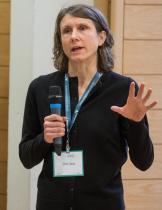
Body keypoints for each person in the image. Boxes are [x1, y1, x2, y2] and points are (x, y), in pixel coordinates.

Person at [19, 4, 157, 210]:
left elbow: (144, 162)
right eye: (66, 31)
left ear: (101, 38)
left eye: (82, 28)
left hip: (104, 203)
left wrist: (137, 124)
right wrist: (44, 139)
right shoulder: (40, 88)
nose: (74, 36)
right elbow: (26, 157)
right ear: (61, 41)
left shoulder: (123, 90)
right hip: (51, 203)